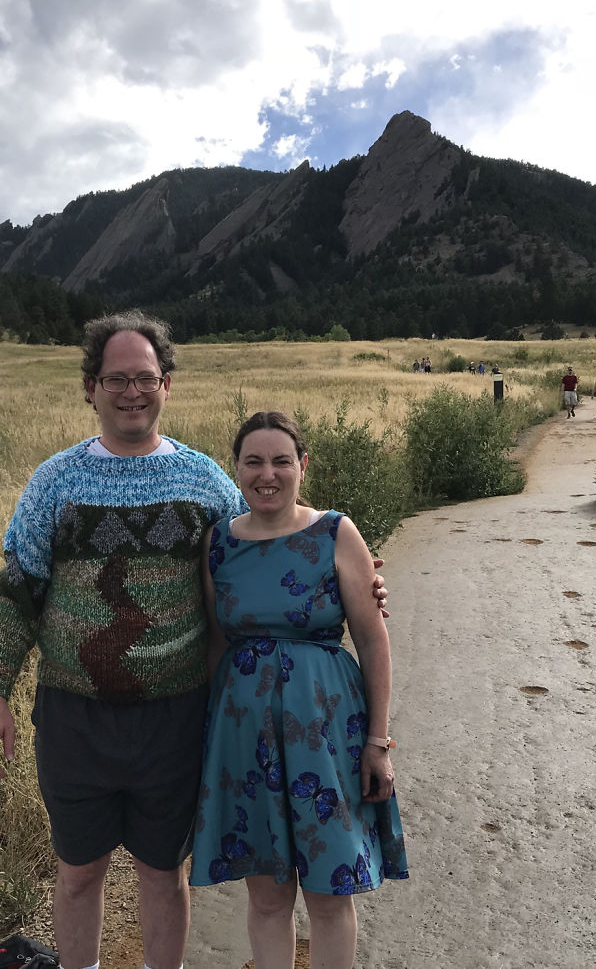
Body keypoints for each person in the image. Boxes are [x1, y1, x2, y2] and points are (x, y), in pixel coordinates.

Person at [0, 311, 388, 969]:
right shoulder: (53, 482)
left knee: (161, 874)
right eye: (116, 378)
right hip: (73, 720)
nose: (131, 391)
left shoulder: (205, 480)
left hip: (177, 719)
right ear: (90, 386)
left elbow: (271, 530)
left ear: (167, 384)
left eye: (145, 377)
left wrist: (357, 571)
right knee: (78, 873)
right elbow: (15, 592)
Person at [190, 411, 408, 969]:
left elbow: (372, 640)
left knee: (330, 890)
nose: (268, 474)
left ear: (302, 466)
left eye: (281, 461)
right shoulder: (218, 543)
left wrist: (378, 743)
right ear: (235, 468)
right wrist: (210, 743)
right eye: (254, 461)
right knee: (266, 897)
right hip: (244, 737)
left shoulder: (335, 532)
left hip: (328, 732)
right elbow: (217, 646)